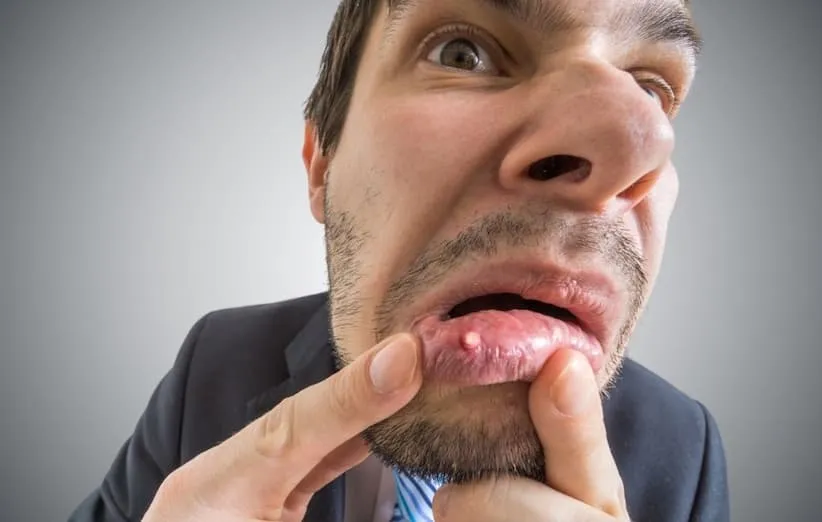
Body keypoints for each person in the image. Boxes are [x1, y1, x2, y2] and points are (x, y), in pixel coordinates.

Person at [68, 0, 730, 520]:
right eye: (463, 53)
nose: (635, 140)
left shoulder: (686, 450)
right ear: (322, 166)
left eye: (651, 90)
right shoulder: (213, 365)